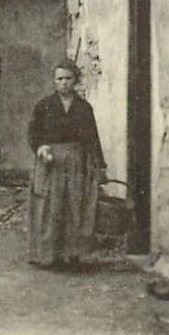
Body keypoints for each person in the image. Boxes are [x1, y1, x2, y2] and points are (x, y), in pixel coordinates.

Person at [27, 59, 106, 269]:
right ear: (54, 81)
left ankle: (73, 254)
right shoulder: (44, 105)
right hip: (50, 161)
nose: (64, 83)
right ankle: (48, 255)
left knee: (74, 206)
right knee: (50, 206)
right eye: (60, 79)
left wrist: (99, 165)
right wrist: (40, 148)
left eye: (68, 79)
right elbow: (33, 132)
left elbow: (92, 138)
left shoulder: (84, 108)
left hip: (76, 161)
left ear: (76, 80)